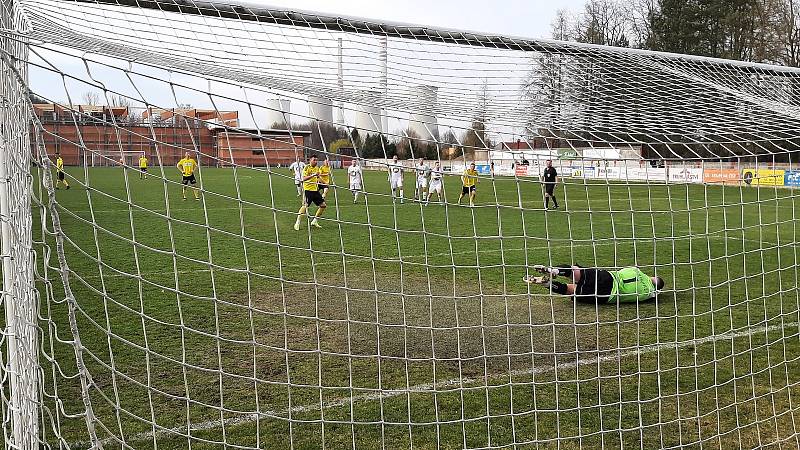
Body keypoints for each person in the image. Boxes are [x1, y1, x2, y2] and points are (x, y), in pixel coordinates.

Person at [524, 264, 665, 304]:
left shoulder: (636, 271)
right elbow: (654, 295)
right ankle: (548, 284)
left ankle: (552, 270)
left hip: (608, 277)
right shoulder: (647, 294)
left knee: (576, 271)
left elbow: (624, 270)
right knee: (572, 290)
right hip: (607, 296)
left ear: (652, 277)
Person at [294, 155, 326, 230]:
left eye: (316, 160)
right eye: (314, 160)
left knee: (323, 205)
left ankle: (314, 221)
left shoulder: (317, 168)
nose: (316, 161)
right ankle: (297, 223)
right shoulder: (307, 167)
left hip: (315, 190)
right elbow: (303, 179)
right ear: (310, 160)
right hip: (308, 190)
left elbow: (318, 177)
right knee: (305, 206)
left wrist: (325, 183)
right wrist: (313, 175)